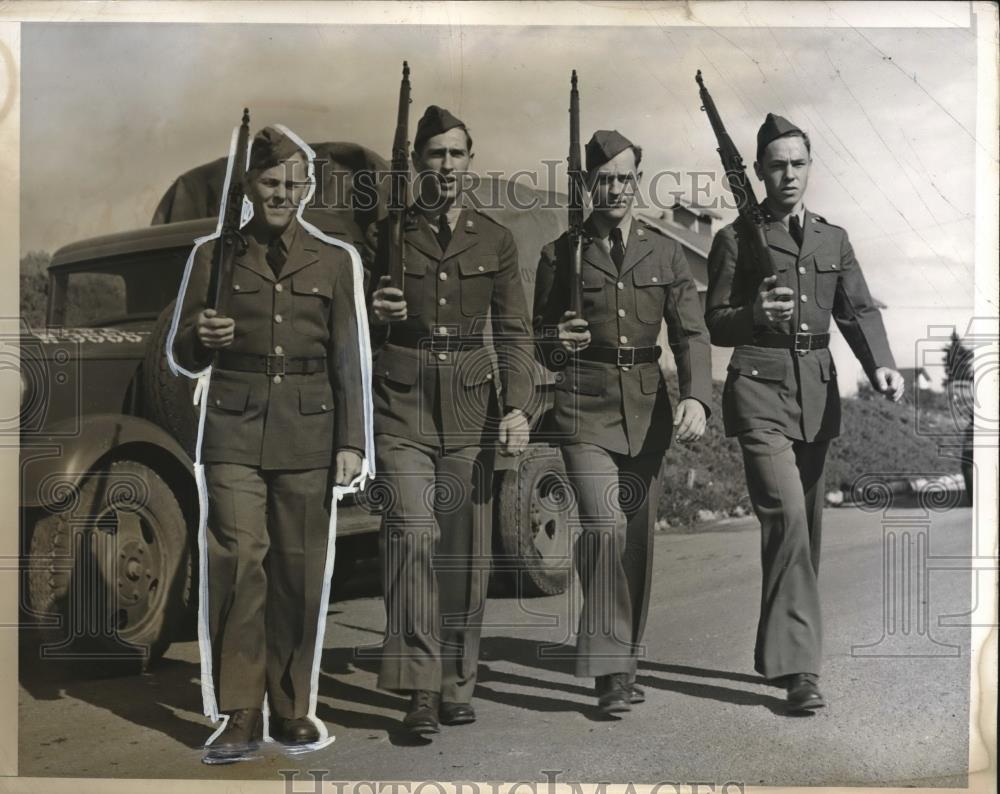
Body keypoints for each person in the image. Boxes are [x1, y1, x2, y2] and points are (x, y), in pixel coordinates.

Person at [171, 126, 368, 762]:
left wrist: (352, 442)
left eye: (293, 183)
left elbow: (347, 359)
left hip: (311, 431)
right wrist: (202, 336)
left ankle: (290, 708)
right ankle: (239, 713)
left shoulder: (335, 261)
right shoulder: (215, 256)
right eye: (270, 183)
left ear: (307, 188)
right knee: (236, 561)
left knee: (300, 569)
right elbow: (181, 351)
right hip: (232, 428)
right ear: (250, 187)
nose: (282, 193)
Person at [704, 113, 904, 712]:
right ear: (760, 171)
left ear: (809, 167)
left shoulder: (830, 238)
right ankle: (800, 673)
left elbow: (857, 310)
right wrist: (754, 314)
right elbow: (714, 321)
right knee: (788, 517)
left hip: (815, 394)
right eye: (776, 165)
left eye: (798, 164)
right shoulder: (735, 238)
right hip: (759, 390)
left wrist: (882, 365)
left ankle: (782, 653)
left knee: (804, 532)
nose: (788, 174)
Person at [368, 105, 535, 738]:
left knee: (464, 550)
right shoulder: (388, 232)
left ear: (470, 160)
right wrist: (377, 307)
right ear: (417, 163)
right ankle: (416, 690)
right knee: (411, 535)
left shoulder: (493, 238)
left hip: (471, 403)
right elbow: (352, 317)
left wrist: (517, 403)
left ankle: (457, 682)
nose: (446, 165)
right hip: (402, 399)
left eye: (456, 154)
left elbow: (514, 331)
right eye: (434, 154)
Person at [533, 130, 712, 715]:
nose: (614, 188)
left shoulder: (665, 254)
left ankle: (624, 659)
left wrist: (697, 398)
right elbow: (538, 341)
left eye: (624, 178)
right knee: (605, 525)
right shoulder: (560, 253)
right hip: (583, 410)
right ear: (588, 183)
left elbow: (690, 332)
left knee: (635, 542)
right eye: (603, 178)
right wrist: (557, 342)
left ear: (637, 181)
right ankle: (609, 671)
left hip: (646, 412)